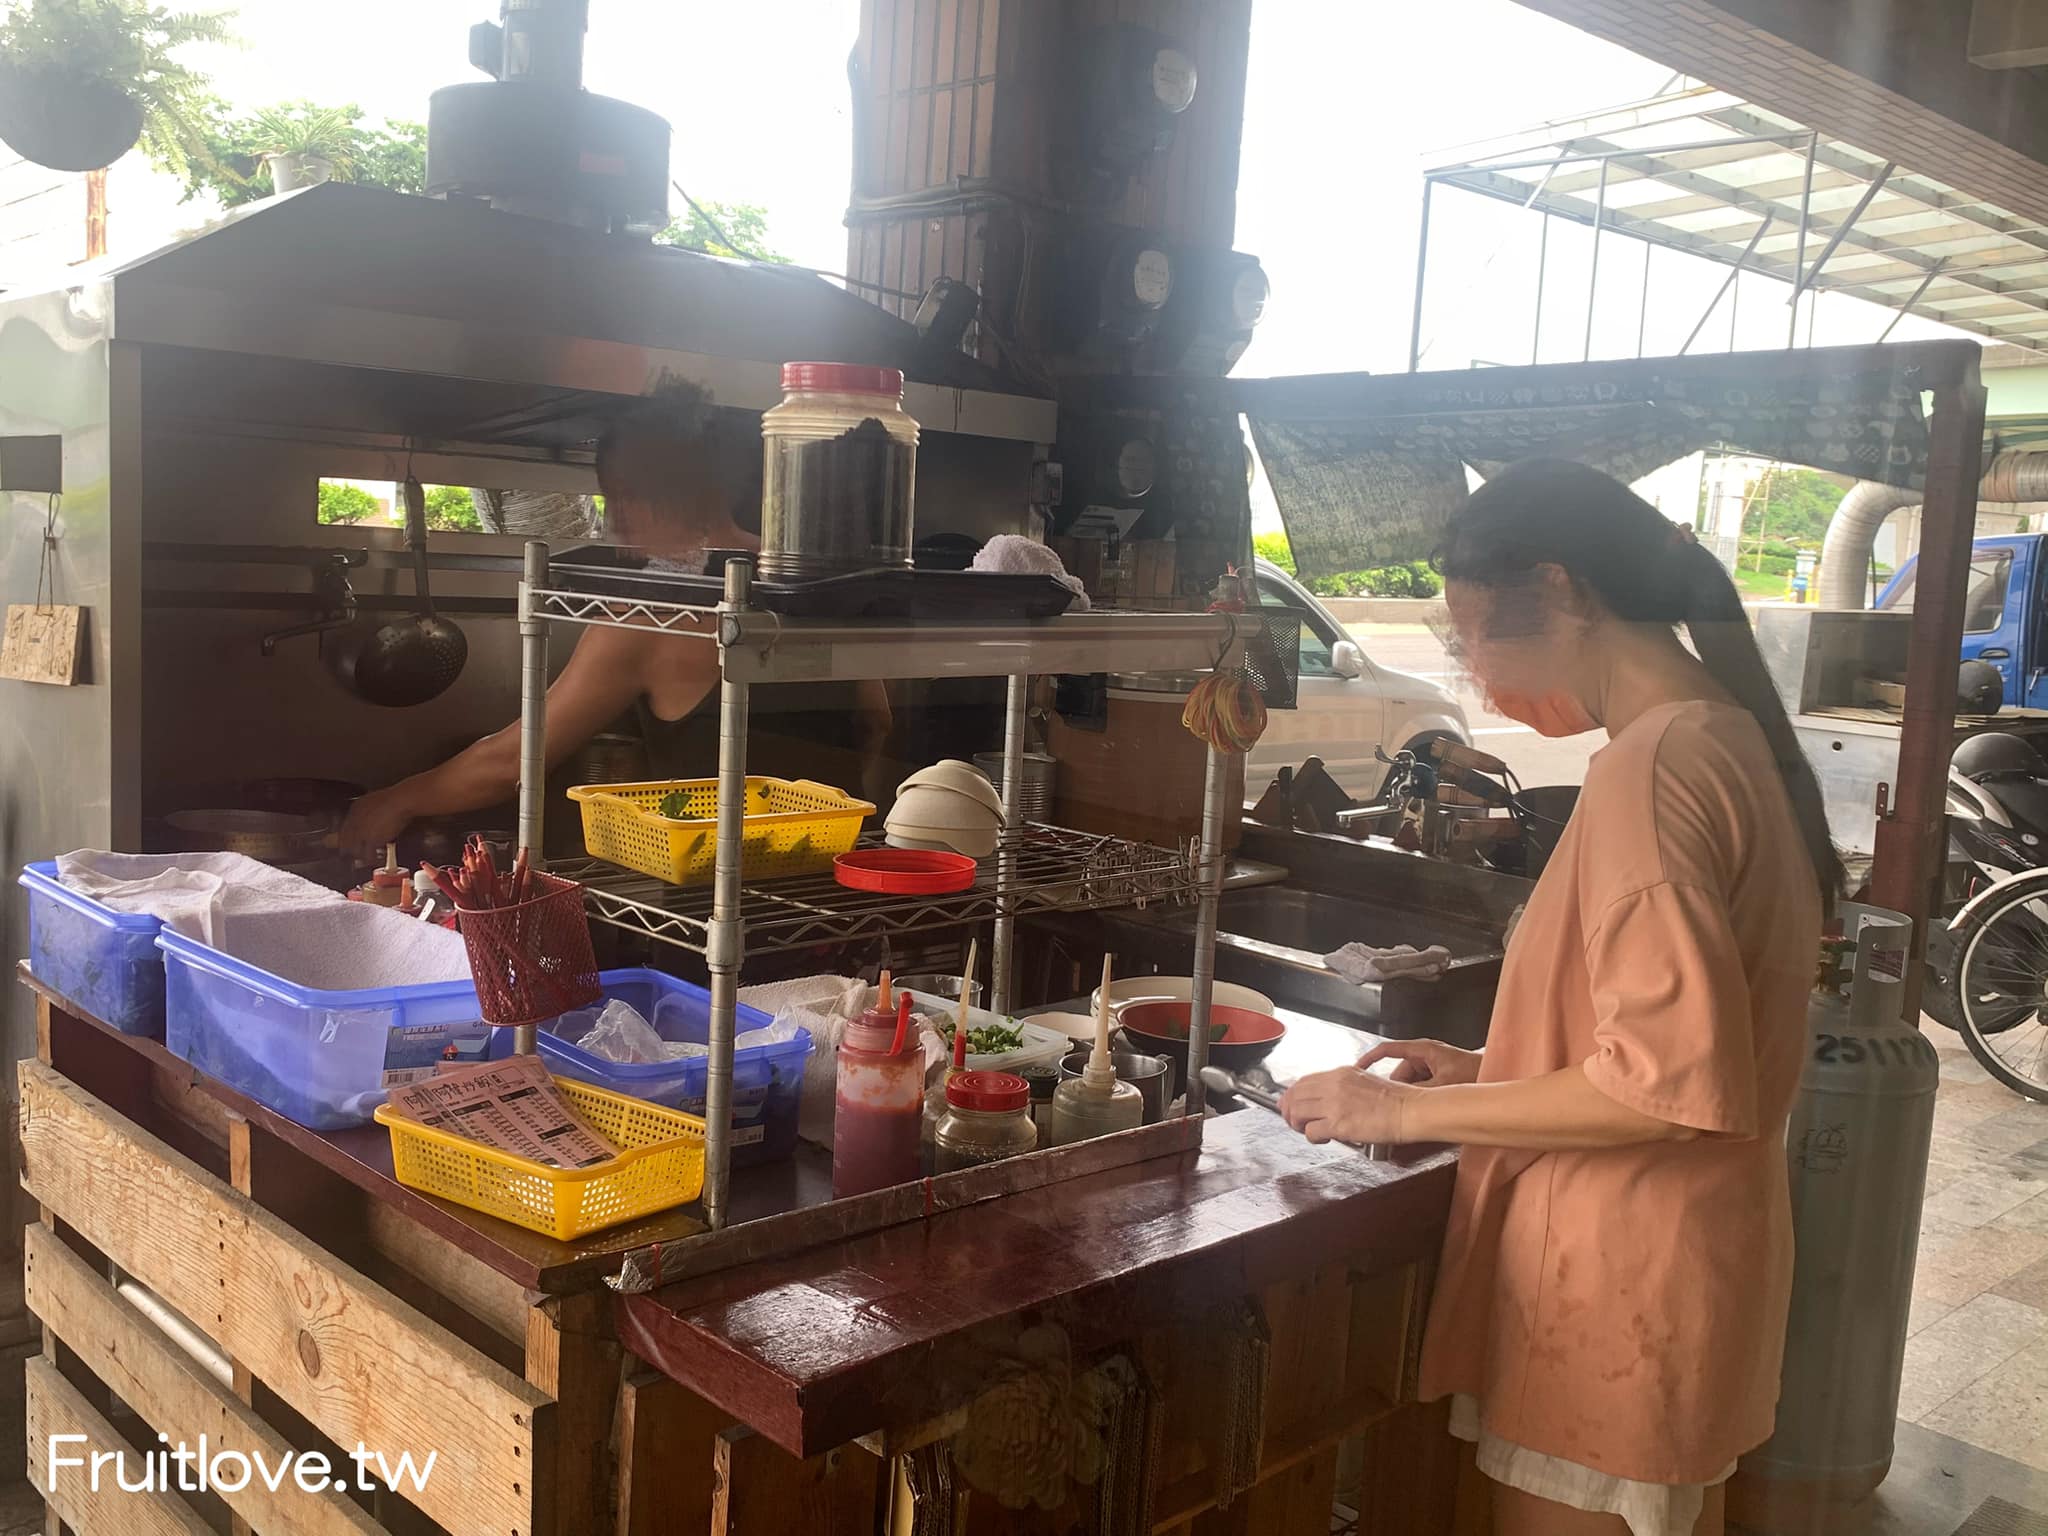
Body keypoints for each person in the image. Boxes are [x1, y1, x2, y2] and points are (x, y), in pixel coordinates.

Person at [1279, 458, 1836, 1536]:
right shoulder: (1718, 735)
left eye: (1476, 634)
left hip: (1616, 1292)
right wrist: (1492, 1070)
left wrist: (1397, 1113)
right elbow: (1678, 1045)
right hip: (1684, 1271)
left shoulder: (1652, 768)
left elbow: (1662, 1091)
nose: (1475, 676)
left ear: (1564, 590)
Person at [338, 382, 891, 860]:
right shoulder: (814, 580)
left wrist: (397, 799)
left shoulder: (650, 615)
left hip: (717, 893)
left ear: (626, 498)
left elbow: (516, 758)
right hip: (838, 875)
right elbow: (876, 720)